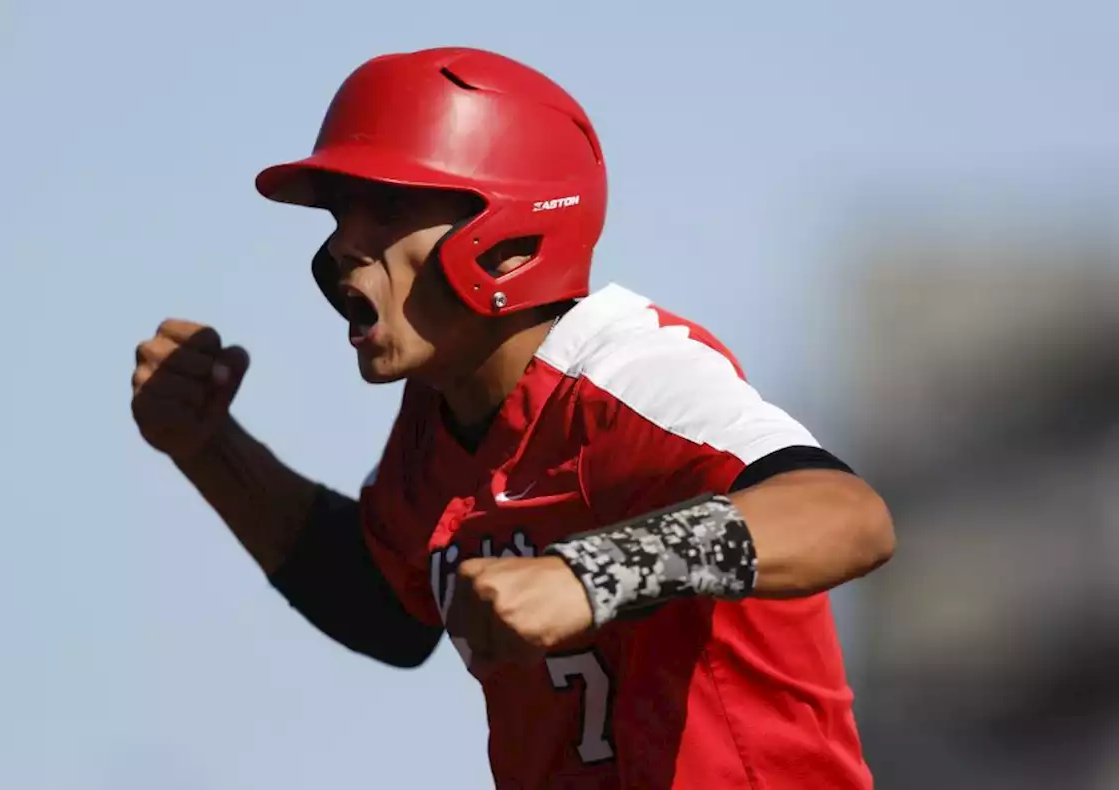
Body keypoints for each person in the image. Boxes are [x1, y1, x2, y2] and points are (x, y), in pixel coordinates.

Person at [130, 46, 896, 789]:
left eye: (389, 206)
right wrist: (208, 447)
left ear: (509, 237)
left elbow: (847, 517)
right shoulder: (442, 410)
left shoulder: (628, 374)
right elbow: (383, 606)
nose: (342, 245)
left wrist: (591, 575)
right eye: (339, 213)